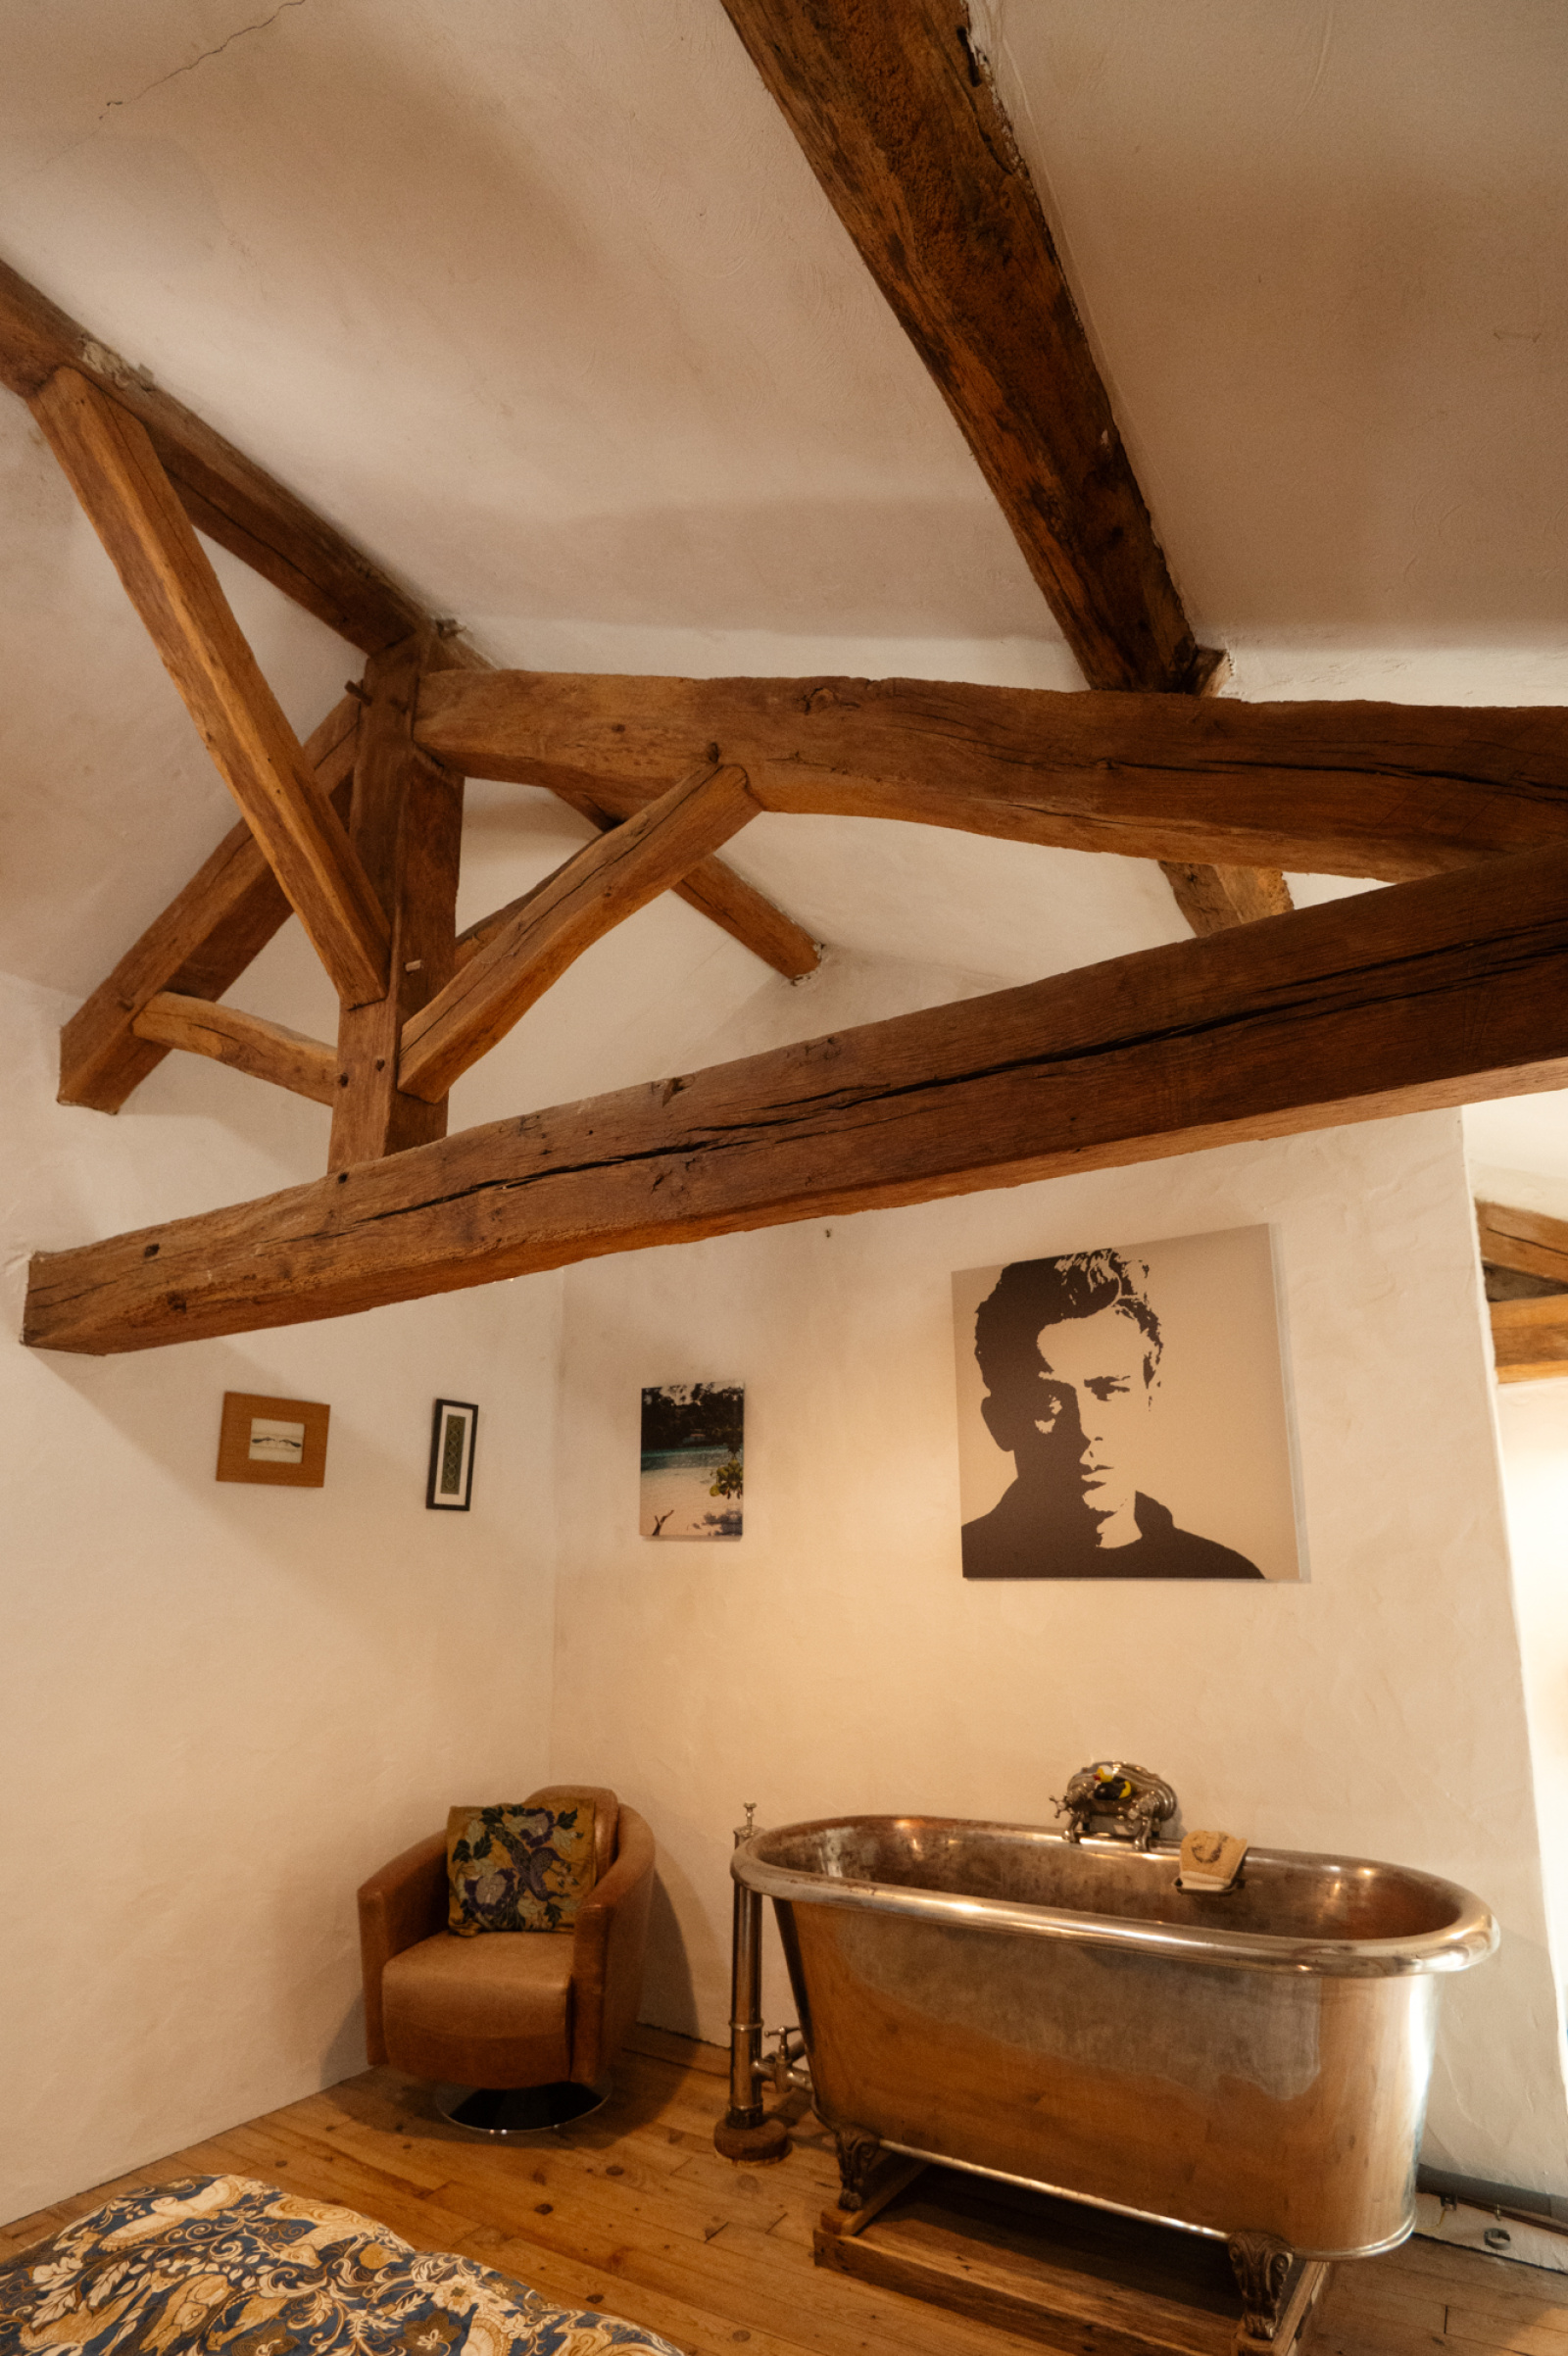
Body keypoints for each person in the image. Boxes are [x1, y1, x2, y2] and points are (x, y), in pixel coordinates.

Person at [960, 1250, 1263, 1580]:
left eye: (1111, 1390)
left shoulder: (1226, 1572)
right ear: (999, 1423)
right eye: (1048, 1401)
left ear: (1151, 1401)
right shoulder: (965, 1560)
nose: (1086, 1429)